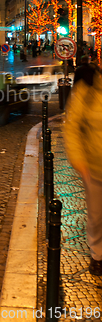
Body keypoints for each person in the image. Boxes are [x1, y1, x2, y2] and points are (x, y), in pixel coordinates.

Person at [64, 66, 102, 275]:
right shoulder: (86, 90)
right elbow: (72, 127)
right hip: (95, 168)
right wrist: (78, 159)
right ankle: (98, 255)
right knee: (97, 216)